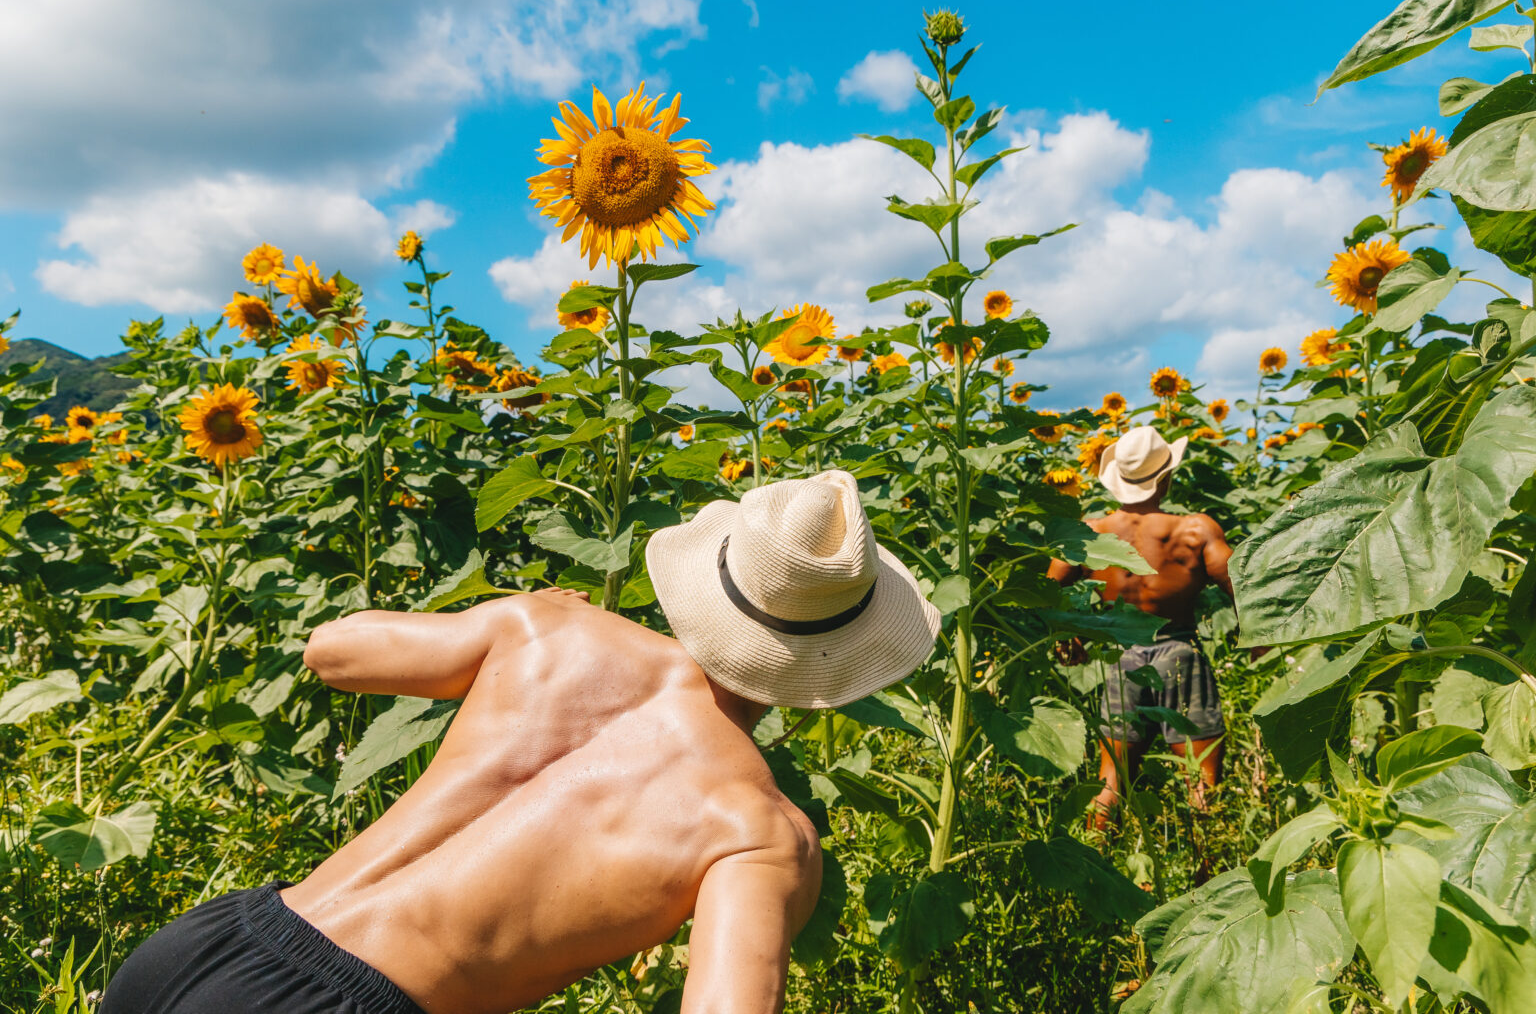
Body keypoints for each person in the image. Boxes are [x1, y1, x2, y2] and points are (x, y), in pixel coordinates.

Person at [102, 469, 938, 1014]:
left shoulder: (545, 629)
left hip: (220, 938)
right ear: (840, 666)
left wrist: (518, 610)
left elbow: (333, 652)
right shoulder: (758, 833)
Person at [1046, 425, 1234, 828]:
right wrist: (1259, 638)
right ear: (1165, 476)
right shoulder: (1195, 529)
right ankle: (1205, 873)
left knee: (1110, 782)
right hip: (1180, 655)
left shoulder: (1093, 531)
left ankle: (1097, 863)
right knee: (1200, 782)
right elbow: (1243, 583)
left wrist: (1070, 631)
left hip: (1120, 659)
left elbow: (1046, 590)